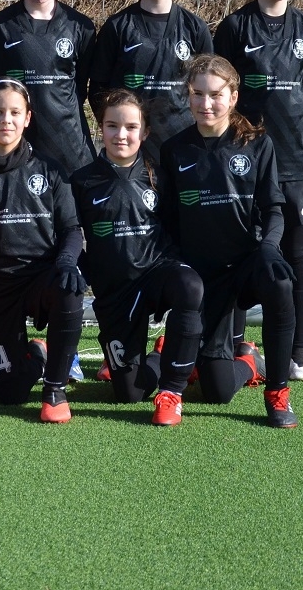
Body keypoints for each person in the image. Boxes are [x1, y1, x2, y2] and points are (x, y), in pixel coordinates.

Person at [158, 54, 298, 428]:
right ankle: (247, 362)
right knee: (217, 390)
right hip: (202, 278)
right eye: (198, 94)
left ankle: (278, 392)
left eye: (216, 94)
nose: (206, 103)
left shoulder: (257, 145)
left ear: (233, 97)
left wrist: (269, 247)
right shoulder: (174, 150)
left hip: (245, 266)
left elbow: (273, 209)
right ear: (188, 96)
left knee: (281, 283)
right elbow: (167, 221)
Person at [213, 0, 303, 383]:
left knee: (295, 253)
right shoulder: (234, 28)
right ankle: (236, 345)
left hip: (296, 161)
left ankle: (297, 352)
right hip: (245, 160)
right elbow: (223, 94)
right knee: (241, 249)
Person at [0, 77, 85, 423]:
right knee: (10, 393)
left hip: (40, 279)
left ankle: (54, 389)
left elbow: (71, 229)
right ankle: (37, 354)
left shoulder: (50, 169)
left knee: (70, 289)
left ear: (27, 118)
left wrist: (66, 262)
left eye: (14, 112)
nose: (5, 120)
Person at [70, 89, 203, 426]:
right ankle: (161, 355)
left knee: (190, 286)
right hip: (116, 294)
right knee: (130, 392)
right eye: (112, 126)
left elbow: (178, 227)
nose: (121, 135)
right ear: (101, 128)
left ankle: (172, 390)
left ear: (144, 132)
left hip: (157, 274)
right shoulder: (82, 181)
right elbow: (69, 235)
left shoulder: (160, 175)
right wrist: (87, 270)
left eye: (131, 127)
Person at [0, 0, 98, 174]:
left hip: (69, 145)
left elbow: (80, 88)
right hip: (16, 142)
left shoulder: (80, 27)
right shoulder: (0, 26)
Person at [87, 0, 212, 158]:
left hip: (184, 146)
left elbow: (209, 87)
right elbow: (97, 88)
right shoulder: (117, 27)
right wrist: (118, 129)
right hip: (130, 148)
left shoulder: (195, 28)